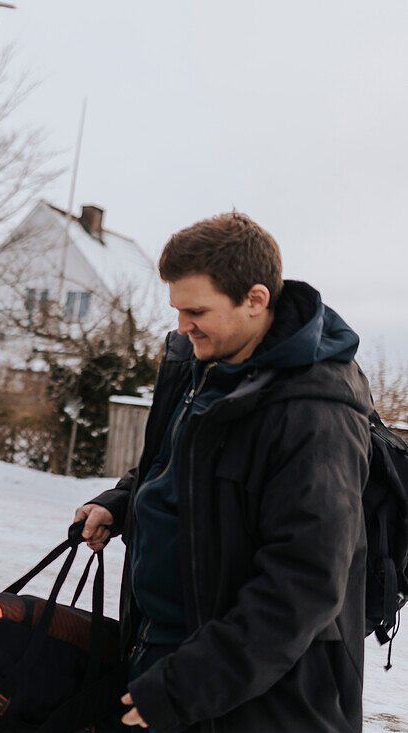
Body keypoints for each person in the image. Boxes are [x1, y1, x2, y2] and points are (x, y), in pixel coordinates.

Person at [74, 213, 371, 732]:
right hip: (164, 653)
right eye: (177, 310)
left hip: (250, 696)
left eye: (197, 311)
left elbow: (304, 583)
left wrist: (188, 685)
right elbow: (176, 460)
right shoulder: (205, 360)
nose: (182, 326)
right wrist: (123, 500)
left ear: (255, 300)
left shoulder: (316, 412)